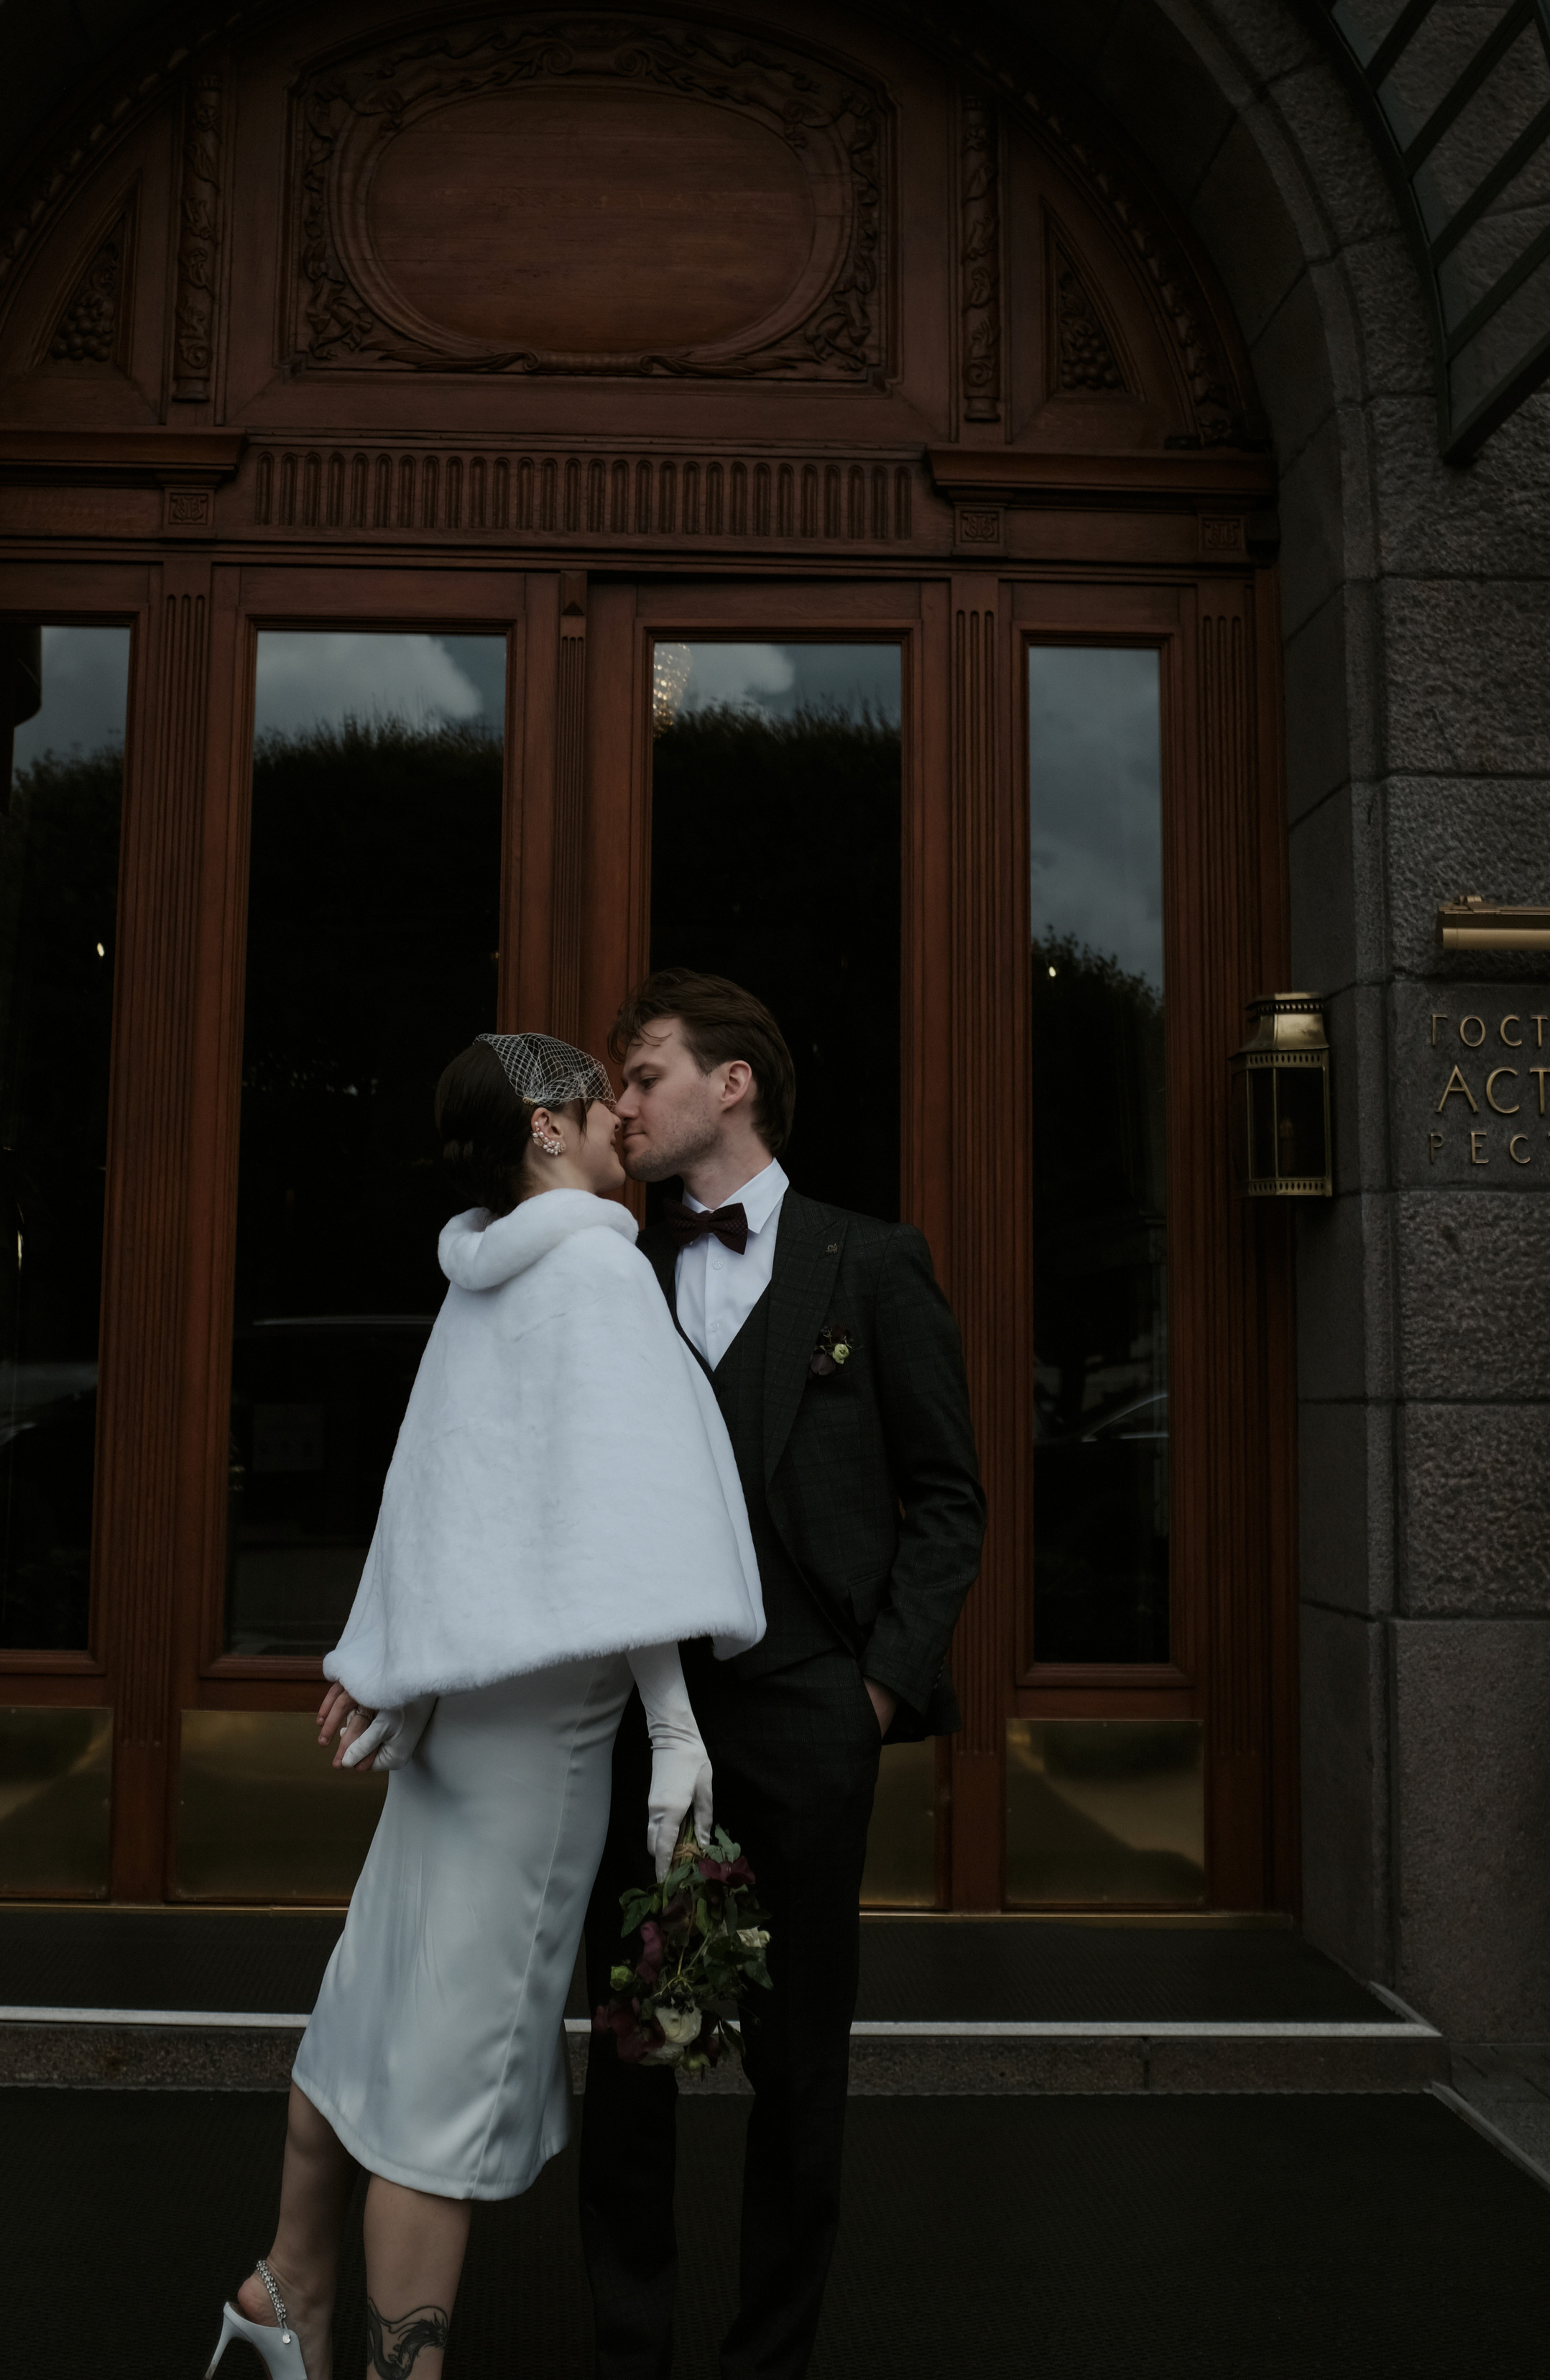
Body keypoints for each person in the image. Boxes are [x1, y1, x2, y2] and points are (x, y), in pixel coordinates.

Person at [207, 1031, 765, 2380]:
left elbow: (446, 1498)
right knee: (443, 2099)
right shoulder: (592, 1272)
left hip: (459, 1734)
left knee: (373, 2015)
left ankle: (284, 2293)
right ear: (543, 1131)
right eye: (596, 1102)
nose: (622, 1121)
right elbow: (632, 1526)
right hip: (539, 1746)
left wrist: (402, 1669)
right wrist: (677, 1724)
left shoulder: (485, 1277)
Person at [580, 969, 984, 2380]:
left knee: (799, 2067)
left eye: (641, 1076)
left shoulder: (869, 1265)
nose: (619, 1108)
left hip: (812, 1715)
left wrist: (872, 1692)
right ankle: (628, 2349)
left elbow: (947, 1499)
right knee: (627, 2056)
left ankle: (767, 2362)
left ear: (729, 1082)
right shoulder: (607, 1271)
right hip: (638, 1720)